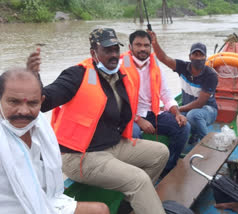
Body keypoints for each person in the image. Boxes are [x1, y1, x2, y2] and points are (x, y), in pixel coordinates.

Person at [27, 28, 169, 214]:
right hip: (81, 156)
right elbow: (43, 101)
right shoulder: (76, 75)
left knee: (160, 152)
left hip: (113, 146)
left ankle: (129, 204)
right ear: (94, 52)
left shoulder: (119, 75)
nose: (113, 55)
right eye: (107, 50)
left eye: (115, 50)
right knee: (139, 179)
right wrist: (33, 78)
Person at [0, 68, 109, 214]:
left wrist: (53, 183)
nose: (24, 111)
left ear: (42, 101)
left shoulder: (40, 126)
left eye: (32, 103)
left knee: (101, 210)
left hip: (44, 201)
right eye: (14, 102)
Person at [121, 30, 190, 175]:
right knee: (133, 133)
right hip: (129, 115)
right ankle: (137, 174)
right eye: (138, 45)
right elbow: (117, 101)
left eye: (146, 45)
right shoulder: (120, 65)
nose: (142, 49)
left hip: (152, 112)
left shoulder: (154, 64)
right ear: (130, 47)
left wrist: (177, 113)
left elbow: (165, 93)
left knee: (183, 127)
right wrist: (138, 120)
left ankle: (167, 168)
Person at [147, 30, 218, 144]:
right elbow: (163, 58)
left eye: (201, 55)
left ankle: (208, 144)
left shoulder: (211, 75)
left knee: (193, 115)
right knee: (171, 118)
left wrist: (177, 109)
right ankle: (193, 133)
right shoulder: (182, 67)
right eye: (195, 54)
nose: (198, 58)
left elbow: (200, 103)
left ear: (205, 57)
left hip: (208, 110)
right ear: (190, 56)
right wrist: (154, 42)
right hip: (187, 108)